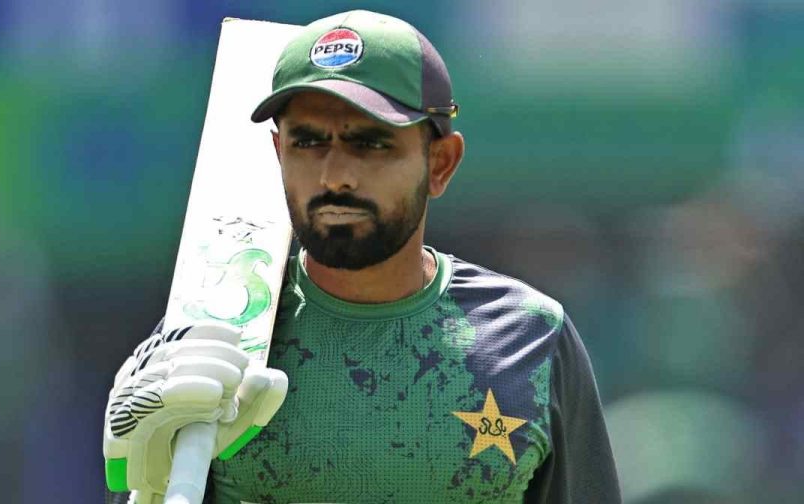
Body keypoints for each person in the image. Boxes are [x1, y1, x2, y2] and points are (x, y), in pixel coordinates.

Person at [104, 10, 620, 504]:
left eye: (371, 144)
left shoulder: (529, 338)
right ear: (278, 154)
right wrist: (143, 484)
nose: (334, 176)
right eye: (308, 142)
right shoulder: (212, 336)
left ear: (440, 163)